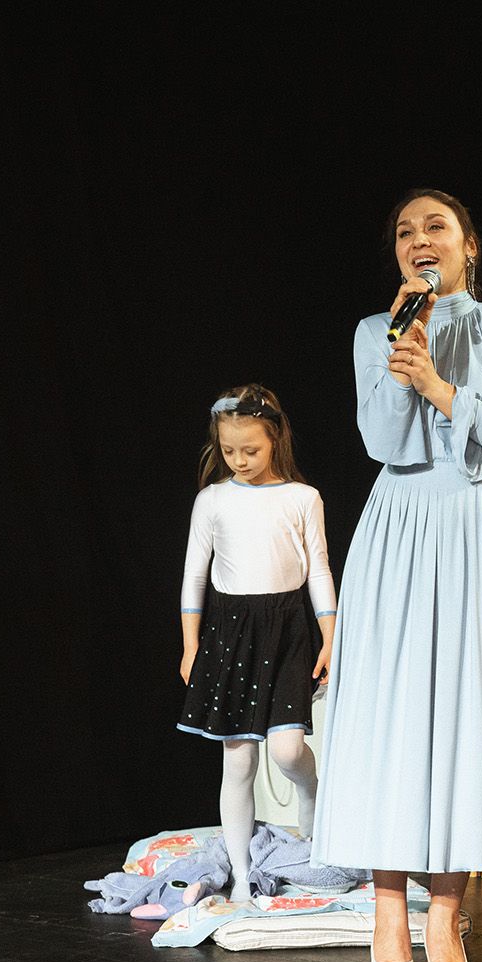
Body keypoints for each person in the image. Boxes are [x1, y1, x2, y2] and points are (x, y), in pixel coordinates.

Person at [311, 189, 482, 962]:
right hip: (400, 525)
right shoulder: (373, 330)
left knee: (468, 714)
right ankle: (388, 911)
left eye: (435, 227)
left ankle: (445, 914)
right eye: (405, 231)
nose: (419, 240)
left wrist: (444, 388)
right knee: (391, 715)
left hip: (478, 524)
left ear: (468, 244)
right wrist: (401, 354)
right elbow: (381, 440)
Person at [178, 383, 336, 902]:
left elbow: (318, 571)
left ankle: (310, 792)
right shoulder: (213, 500)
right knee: (239, 759)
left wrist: (330, 636)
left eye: (251, 450)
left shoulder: (302, 498)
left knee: (288, 752)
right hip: (231, 632)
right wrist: (190, 645)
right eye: (229, 451)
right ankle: (243, 873)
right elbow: (194, 576)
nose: (239, 461)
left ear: (275, 439)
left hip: (287, 629)